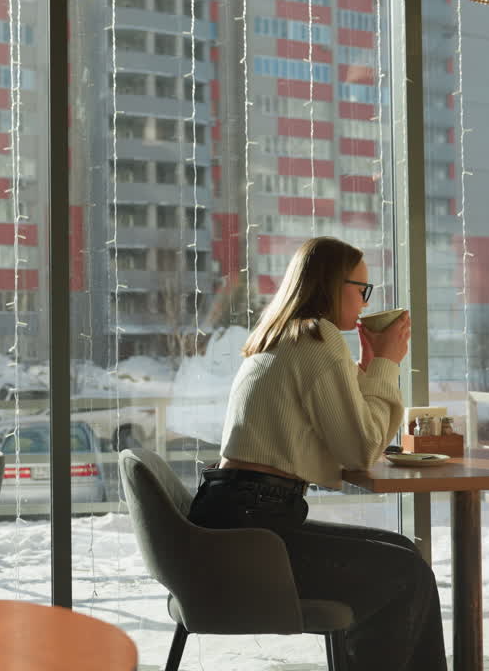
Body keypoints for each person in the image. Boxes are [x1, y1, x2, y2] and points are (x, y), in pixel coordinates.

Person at [187, 236, 446, 671]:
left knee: (401, 551)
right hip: (252, 529)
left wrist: (366, 365)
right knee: (406, 574)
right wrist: (387, 364)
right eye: (361, 288)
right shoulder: (317, 337)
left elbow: (347, 428)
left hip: (232, 515)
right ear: (331, 284)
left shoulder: (287, 335)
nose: (366, 301)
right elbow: (361, 450)